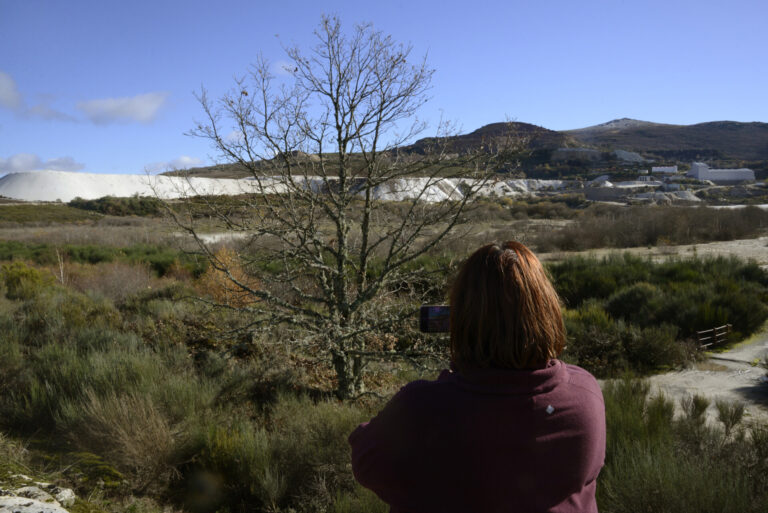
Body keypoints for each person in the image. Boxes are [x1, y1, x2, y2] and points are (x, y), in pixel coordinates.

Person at [348, 241, 606, 513]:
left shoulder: (421, 408)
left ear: (461, 320)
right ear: (547, 311)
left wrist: (452, 378)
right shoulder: (584, 393)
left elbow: (366, 463)